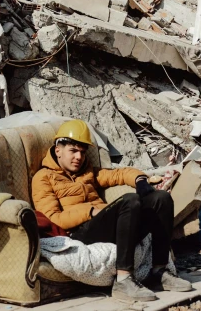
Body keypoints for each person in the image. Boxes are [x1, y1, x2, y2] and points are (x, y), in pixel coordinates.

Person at [31, 119, 192, 303]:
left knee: (161, 198)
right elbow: (53, 219)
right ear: (58, 150)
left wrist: (140, 180)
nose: (78, 157)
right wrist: (90, 212)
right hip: (79, 232)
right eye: (73, 151)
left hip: (107, 227)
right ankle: (123, 280)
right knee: (129, 201)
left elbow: (119, 174)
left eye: (82, 152)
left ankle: (159, 271)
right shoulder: (43, 178)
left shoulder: (88, 172)